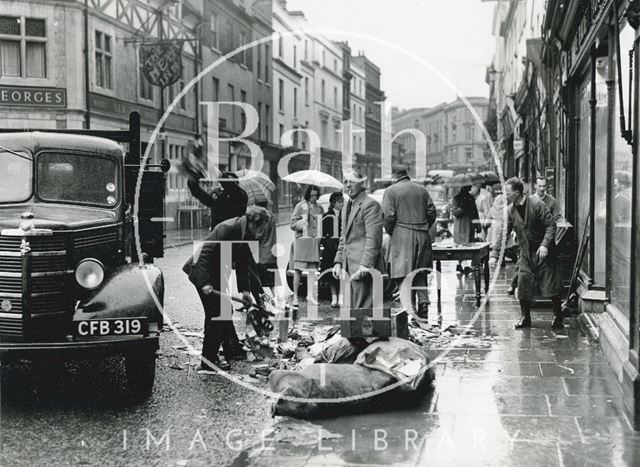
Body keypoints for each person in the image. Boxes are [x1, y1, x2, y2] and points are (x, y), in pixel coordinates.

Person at [183, 206, 269, 370]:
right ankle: (209, 360)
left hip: (216, 273)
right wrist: (205, 283)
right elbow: (205, 254)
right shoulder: (227, 228)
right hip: (201, 272)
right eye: (262, 226)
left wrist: (245, 291)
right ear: (254, 223)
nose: (263, 231)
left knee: (224, 310)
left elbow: (243, 262)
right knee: (216, 314)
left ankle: (230, 348)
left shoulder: (246, 232)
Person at [489, 177, 564, 329]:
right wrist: (494, 255)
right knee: (523, 285)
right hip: (526, 254)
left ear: (517, 193)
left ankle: (558, 316)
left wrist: (545, 245)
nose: (505, 196)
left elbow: (551, 225)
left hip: (545, 253)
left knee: (551, 287)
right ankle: (525, 318)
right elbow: (504, 233)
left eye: (507, 193)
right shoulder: (510, 210)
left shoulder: (537, 204)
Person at [382, 168, 437, 318]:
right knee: (420, 271)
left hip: (402, 234)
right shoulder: (422, 189)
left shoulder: (391, 191)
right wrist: (423, 226)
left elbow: (388, 216)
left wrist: (391, 231)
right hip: (422, 234)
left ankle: (409, 309)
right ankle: (424, 301)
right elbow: (432, 212)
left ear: (395, 177)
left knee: (402, 273)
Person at [332, 171, 384, 309]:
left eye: (352, 182)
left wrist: (365, 265)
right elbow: (344, 237)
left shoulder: (370, 205)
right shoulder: (346, 207)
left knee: (363, 311)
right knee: (352, 310)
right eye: (345, 182)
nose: (348, 185)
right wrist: (337, 261)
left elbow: (374, 239)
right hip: (348, 267)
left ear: (362, 184)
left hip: (362, 268)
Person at [290, 185, 324, 310]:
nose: (313, 198)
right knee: (298, 269)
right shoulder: (300, 206)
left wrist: (319, 236)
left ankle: (310, 295)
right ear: (308, 194)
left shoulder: (320, 208)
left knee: (312, 270)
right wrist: (302, 223)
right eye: (311, 195)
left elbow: (321, 223)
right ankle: (295, 296)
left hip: (314, 242)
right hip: (302, 241)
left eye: (315, 195)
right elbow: (292, 223)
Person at [320, 191, 345, 307]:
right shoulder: (326, 216)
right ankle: (333, 297)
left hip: (341, 249)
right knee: (330, 274)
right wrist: (328, 242)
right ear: (333, 203)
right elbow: (321, 234)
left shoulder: (346, 216)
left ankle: (341, 297)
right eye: (339, 202)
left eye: (342, 202)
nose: (341, 204)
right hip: (330, 250)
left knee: (342, 274)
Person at [450, 185, 480, 273]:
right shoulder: (456, 198)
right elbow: (454, 212)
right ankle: (463, 265)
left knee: (467, 245)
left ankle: (461, 265)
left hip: (469, 224)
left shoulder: (471, 198)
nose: (470, 188)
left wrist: (478, 225)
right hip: (461, 224)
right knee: (461, 245)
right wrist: (462, 208)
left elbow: (475, 212)